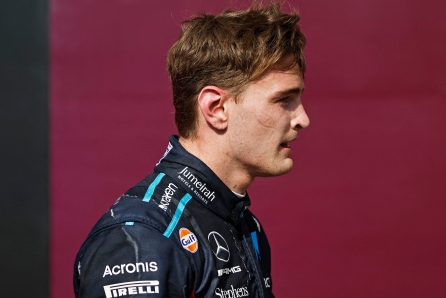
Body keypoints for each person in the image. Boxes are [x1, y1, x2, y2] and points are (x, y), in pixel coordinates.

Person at [73, 2, 310, 297]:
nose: (302, 119)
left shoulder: (245, 224)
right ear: (216, 108)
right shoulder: (142, 238)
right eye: (283, 99)